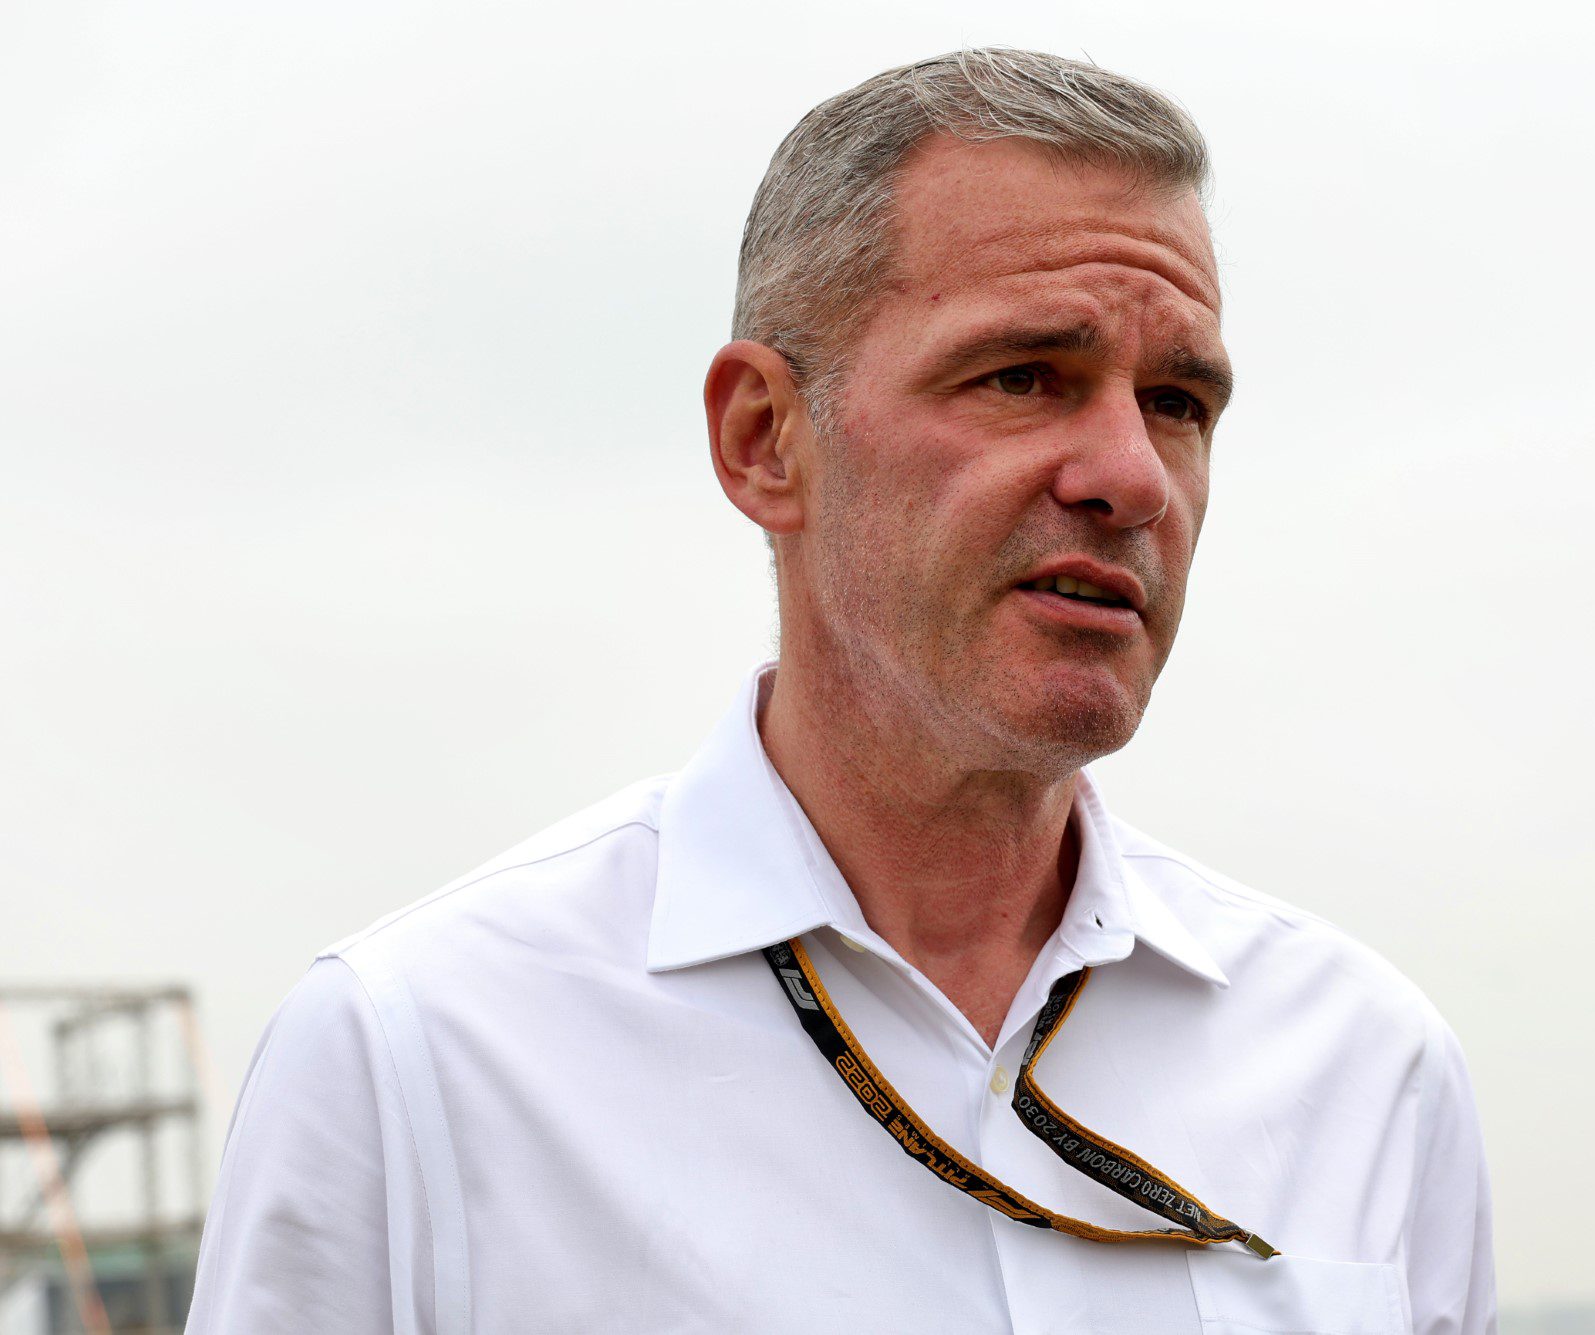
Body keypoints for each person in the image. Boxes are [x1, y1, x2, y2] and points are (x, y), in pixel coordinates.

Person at [186, 48, 1496, 1334]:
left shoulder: (1368, 1072)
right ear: (765, 438)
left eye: (1178, 402)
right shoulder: (415, 1062)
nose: (1131, 477)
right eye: (1024, 376)